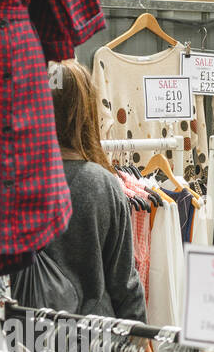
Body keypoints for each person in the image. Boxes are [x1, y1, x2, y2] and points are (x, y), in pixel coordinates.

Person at [31, 59, 145, 323]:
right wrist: (144, 350)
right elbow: (124, 283)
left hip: (25, 335)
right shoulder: (103, 184)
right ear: (84, 111)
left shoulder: (12, 181)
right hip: (92, 339)